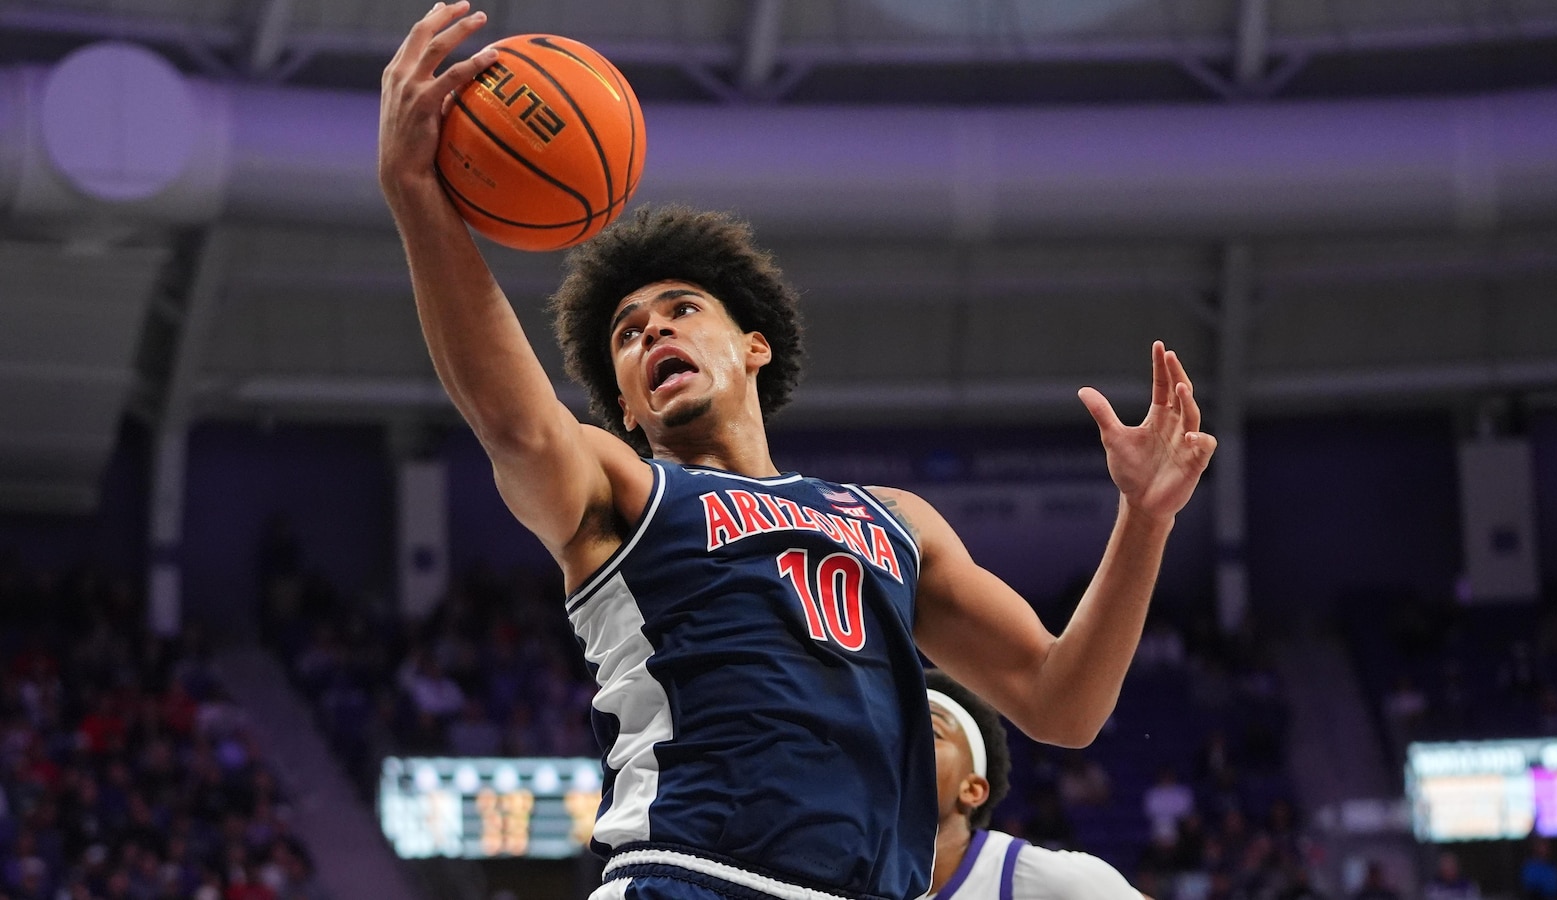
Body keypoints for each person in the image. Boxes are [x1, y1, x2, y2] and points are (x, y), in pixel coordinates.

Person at [377, 5, 1217, 899]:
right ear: (624, 403)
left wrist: (1146, 518)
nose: (652, 327)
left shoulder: (893, 521)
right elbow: (516, 424)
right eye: (627, 334)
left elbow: (1064, 704)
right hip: (691, 877)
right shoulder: (626, 490)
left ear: (754, 345)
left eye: (681, 309)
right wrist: (418, 199)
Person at [921, 669, 1144, 900]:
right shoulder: (881, 877)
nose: (898, 745)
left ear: (971, 790)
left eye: (931, 733)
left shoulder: (1048, 880)